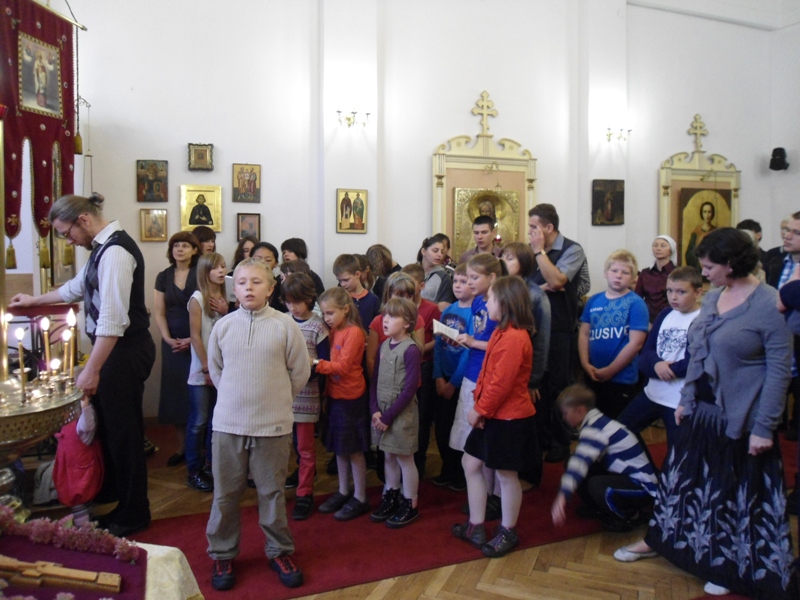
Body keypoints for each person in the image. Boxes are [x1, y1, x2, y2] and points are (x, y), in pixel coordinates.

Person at [636, 228, 795, 598]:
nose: (704, 273)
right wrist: (686, 398)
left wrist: (764, 427)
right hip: (702, 412)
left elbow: (779, 371)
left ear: (732, 264)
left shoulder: (769, 304)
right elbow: (698, 352)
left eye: (709, 267)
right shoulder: (714, 297)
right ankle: (676, 546)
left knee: (733, 496)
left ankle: (728, 565)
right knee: (688, 485)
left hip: (743, 419)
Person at [10, 192, 155, 538]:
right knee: (109, 430)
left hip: (123, 351)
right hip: (114, 352)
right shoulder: (101, 250)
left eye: (67, 233)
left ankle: (134, 512)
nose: (69, 240)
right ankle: (114, 493)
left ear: (84, 220)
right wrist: (33, 300)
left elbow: (113, 321)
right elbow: (74, 289)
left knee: (125, 435)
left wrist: (92, 369)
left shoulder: (116, 252)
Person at [205, 258, 309, 591]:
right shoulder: (223, 327)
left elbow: (300, 371)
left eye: (256, 282)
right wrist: (236, 399)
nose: (248, 288)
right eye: (242, 283)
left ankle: (279, 550)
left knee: (272, 492)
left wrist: (276, 399)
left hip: (273, 426)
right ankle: (223, 553)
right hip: (229, 424)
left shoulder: (285, 325)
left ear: (271, 288)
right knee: (225, 495)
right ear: (233, 289)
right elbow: (216, 371)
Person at [452, 276, 536, 558]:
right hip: (492, 414)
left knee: (506, 475)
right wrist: (481, 406)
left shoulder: (515, 337)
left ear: (506, 303)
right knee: (470, 463)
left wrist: (479, 410)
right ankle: (476, 525)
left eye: (491, 299)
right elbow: (487, 375)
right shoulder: (502, 332)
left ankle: (508, 530)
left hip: (509, 418)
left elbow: (501, 384)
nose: (486, 304)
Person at [551, 384, 658, 532]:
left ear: (579, 410)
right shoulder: (596, 421)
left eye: (565, 413)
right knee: (574, 462)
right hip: (625, 476)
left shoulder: (595, 429)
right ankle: (600, 507)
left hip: (642, 486)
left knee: (597, 485)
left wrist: (562, 496)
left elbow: (579, 464)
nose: (564, 418)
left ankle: (633, 516)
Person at [617, 267, 702, 449]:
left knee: (676, 452)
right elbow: (647, 352)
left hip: (678, 398)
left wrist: (667, 369)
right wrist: (656, 365)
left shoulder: (702, 319)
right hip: (653, 392)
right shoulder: (665, 314)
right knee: (619, 432)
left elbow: (696, 361)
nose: (673, 297)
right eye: (669, 291)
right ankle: (645, 467)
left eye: (681, 292)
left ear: (698, 292)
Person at [528, 203, 587, 463]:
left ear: (548, 227)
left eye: (534, 227)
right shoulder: (531, 250)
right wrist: (543, 286)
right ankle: (541, 438)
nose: (530, 232)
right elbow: (527, 285)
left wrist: (539, 252)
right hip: (535, 326)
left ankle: (561, 442)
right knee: (537, 385)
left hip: (560, 327)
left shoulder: (572, 249)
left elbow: (556, 281)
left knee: (559, 387)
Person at [450, 254, 503, 521]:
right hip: (473, 371)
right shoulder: (478, 301)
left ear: (492, 278)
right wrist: (466, 340)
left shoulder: (500, 303)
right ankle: (482, 494)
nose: (469, 282)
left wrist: (472, 342)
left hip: (488, 374)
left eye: (474, 277)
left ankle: (493, 497)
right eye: (467, 277)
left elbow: (500, 343)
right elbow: (479, 335)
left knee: (486, 442)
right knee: (472, 439)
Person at [314, 287, 371, 521]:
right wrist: (326, 394)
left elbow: (343, 367)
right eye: (324, 314)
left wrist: (314, 363)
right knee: (340, 449)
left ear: (345, 309)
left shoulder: (354, 332)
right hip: (336, 395)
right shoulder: (334, 330)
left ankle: (360, 496)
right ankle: (343, 490)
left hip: (351, 397)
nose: (326, 318)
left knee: (353, 449)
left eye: (330, 313)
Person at [369, 297, 423, 528]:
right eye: (385, 315)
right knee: (388, 456)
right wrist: (374, 409)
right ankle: (391, 494)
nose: (386, 320)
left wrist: (388, 417)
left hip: (400, 415)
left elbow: (410, 389)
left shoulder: (411, 350)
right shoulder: (383, 345)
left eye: (392, 317)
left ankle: (410, 502)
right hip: (382, 413)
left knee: (404, 458)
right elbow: (375, 380)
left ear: (407, 323)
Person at [280, 274, 330, 520]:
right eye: (288, 302)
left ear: (309, 299)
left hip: (307, 395)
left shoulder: (318, 326)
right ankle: (280, 489)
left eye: (297, 302)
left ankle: (305, 492)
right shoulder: (282, 321)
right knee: (283, 446)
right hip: (282, 394)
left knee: (306, 447)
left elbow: (324, 361)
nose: (293, 307)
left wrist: (309, 369)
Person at [501, 241, 551, 487]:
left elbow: (541, 341)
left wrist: (534, 380)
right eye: (503, 257)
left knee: (530, 426)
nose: (504, 261)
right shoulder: (503, 289)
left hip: (527, 372)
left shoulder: (535, 295)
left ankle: (530, 476)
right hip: (507, 368)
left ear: (524, 263)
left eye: (510, 258)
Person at [578, 250, 648, 419]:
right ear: (606, 273)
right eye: (614, 271)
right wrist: (585, 364)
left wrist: (610, 370)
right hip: (592, 374)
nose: (618, 276)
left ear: (633, 278)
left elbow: (635, 343)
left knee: (617, 424)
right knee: (594, 421)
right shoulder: (594, 300)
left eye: (625, 272)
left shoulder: (636, 303)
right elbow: (584, 333)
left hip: (621, 379)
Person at [153, 232, 199, 469]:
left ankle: (199, 447)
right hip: (172, 344)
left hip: (198, 342)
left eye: (185, 246)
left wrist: (194, 339)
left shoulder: (201, 273)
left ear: (194, 250)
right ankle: (182, 447)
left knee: (198, 395)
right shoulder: (163, 276)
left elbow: (209, 311)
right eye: (176, 246)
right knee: (176, 396)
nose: (180, 249)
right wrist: (167, 339)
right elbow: (159, 312)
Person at [186, 253, 229, 493]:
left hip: (223, 368)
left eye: (223, 266)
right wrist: (206, 367)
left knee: (216, 421)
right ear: (205, 272)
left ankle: (213, 466)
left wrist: (227, 310)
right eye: (215, 268)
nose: (221, 271)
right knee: (199, 421)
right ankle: (193, 469)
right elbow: (195, 336)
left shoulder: (226, 296)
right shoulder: (197, 299)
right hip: (202, 369)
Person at [431, 264, 473, 491]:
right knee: (443, 427)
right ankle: (447, 469)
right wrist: (438, 376)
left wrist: (453, 383)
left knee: (460, 429)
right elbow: (439, 344)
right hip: (443, 377)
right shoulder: (448, 311)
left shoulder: (475, 312)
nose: (457, 285)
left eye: (463, 282)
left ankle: (460, 474)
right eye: (455, 281)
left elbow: (469, 353)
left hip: (461, 380)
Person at [333, 254, 381, 334]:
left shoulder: (373, 300)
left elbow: (377, 327)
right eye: (340, 281)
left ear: (358, 274)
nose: (342, 284)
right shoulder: (338, 298)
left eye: (346, 280)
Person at [634, 235, 676, 323]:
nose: (658, 248)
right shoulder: (645, 273)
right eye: (655, 245)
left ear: (671, 251)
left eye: (663, 246)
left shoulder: (677, 273)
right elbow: (637, 297)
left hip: (671, 317)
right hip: (648, 318)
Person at [418, 234, 456, 310]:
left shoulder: (444, 276)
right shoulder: (412, 271)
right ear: (423, 251)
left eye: (442, 252)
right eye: (435, 251)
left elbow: (444, 306)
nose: (439, 255)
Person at [252, 242, 286, 313]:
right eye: (258, 259)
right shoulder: (243, 283)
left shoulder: (282, 285)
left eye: (268, 260)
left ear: (276, 264)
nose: (262, 263)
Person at [684, 200, 716, 271]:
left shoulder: (716, 232)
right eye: (705, 212)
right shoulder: (696, 232)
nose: (707, 215)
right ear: (701, 213)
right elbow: (689, 254)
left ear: (712, 213)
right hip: (698, 268)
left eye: (709, 212)